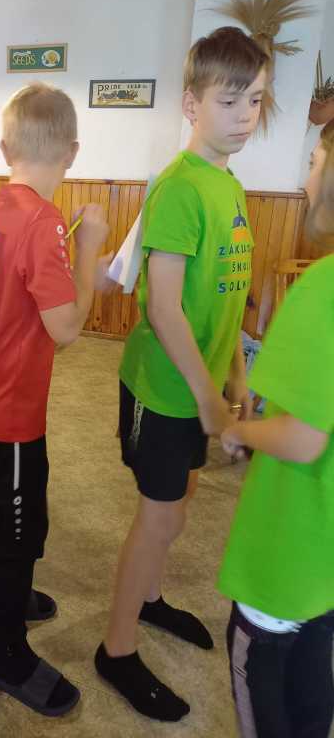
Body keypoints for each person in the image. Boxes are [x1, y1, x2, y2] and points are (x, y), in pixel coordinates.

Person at [95, 26, 269, 722]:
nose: (245, 116)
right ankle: (116, 649)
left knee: (182, 501)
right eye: (230, 101)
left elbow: (228, 292)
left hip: (200, 385)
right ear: (192, 104)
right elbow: (163, 308)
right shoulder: (178, 188)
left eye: (255, 101)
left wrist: (235, 375)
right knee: (159, 516)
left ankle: (151, 597)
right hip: (164, 389)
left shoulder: (228, 185)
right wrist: (207, 399)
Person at [0, 83, 109, 716]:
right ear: (72, 151)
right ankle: (7, 652)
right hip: (8, 408)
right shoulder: (44, 220)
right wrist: (90, 247)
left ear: (3, 148)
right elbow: (66, 329)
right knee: (17, 526)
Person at [217, 118, 334, 738]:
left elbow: (302, 436)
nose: (306, 178)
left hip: (285, 560)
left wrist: (240, 432)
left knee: (267, 697)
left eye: (314, 162)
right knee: (313, 699)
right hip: (324, 570)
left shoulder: (321, 290)